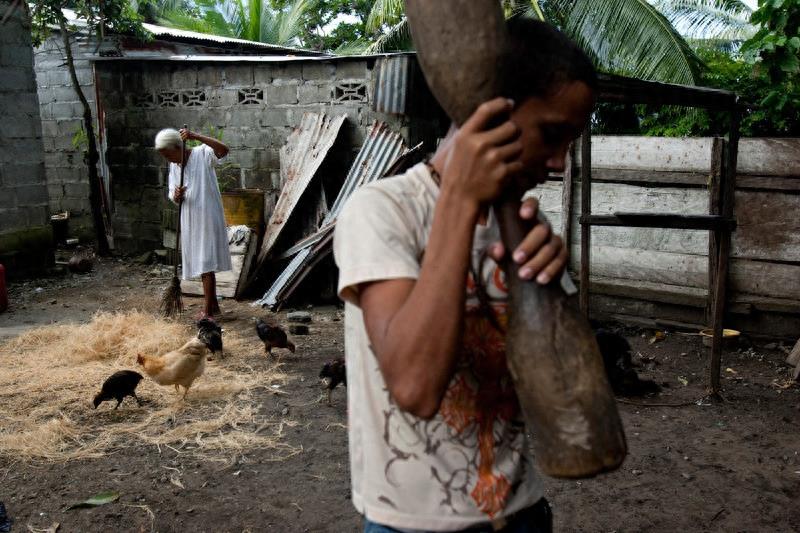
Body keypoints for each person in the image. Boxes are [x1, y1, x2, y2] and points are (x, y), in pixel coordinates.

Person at [332, 18, 597, 533]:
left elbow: (565, 404)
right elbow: (415, 386)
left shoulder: (526, 224)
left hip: (519, 513)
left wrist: (550, 297)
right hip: (409, 525)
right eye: (551, 134)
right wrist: (458, 198)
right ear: (488, 113)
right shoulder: (382, 212)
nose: (561, 162)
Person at [156, 127, 232, 319]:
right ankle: (213, 306)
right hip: (190, 217)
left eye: (167, 154)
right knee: (200, 260)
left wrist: (195, 136)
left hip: (207, 215)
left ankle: (207, 312)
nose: (167, 159)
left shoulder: (202, 154)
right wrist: (176, 195)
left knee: (206, 261)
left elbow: (224, 150)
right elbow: (173, 194)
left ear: (178, 147)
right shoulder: (174, 167)